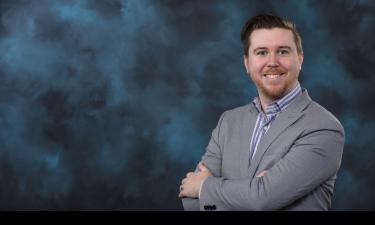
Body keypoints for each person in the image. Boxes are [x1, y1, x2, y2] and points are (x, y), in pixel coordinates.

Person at [178, 13, 345, 211]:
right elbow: (190, 201)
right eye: (261, 52)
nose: (272, 62)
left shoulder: (323, 128)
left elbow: (261, 199)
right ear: (247, 63)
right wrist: (252, 191)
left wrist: (205, 186)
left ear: (299, 59)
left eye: (283, 51)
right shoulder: (229, 122)